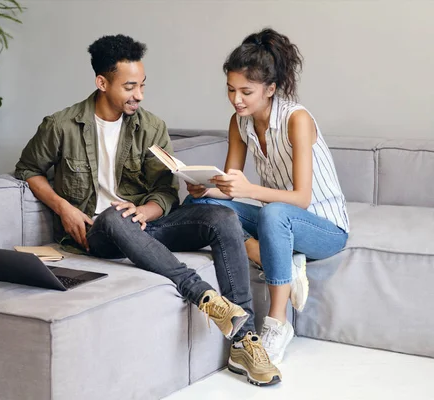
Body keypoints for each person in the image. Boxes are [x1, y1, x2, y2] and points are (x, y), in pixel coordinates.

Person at [14, 34, 281, 386]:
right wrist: (63, 208)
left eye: (142, 85)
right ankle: (202, 295)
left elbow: (164, 191)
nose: (138, 94)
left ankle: (243, 341)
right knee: (113, 216)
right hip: (99, 233)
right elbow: (28, 169)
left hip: (144, 226)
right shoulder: (61, 126)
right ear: (102, 83)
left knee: (222, 216)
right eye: (129, 86)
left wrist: (148, 211)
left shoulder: (151, 126)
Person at [185, 28, 349, 364]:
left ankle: (278, 323)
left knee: (275, 212)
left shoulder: (296, 119)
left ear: (270, 89)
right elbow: (230, 186)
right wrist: (205, 186)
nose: (237, 99)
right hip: (279, 221)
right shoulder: (239, 122)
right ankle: (276, 258)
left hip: (324, 227)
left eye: (246, 91)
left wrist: (247, 190)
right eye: (231, 90)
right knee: (202, 207)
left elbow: (301, 199)